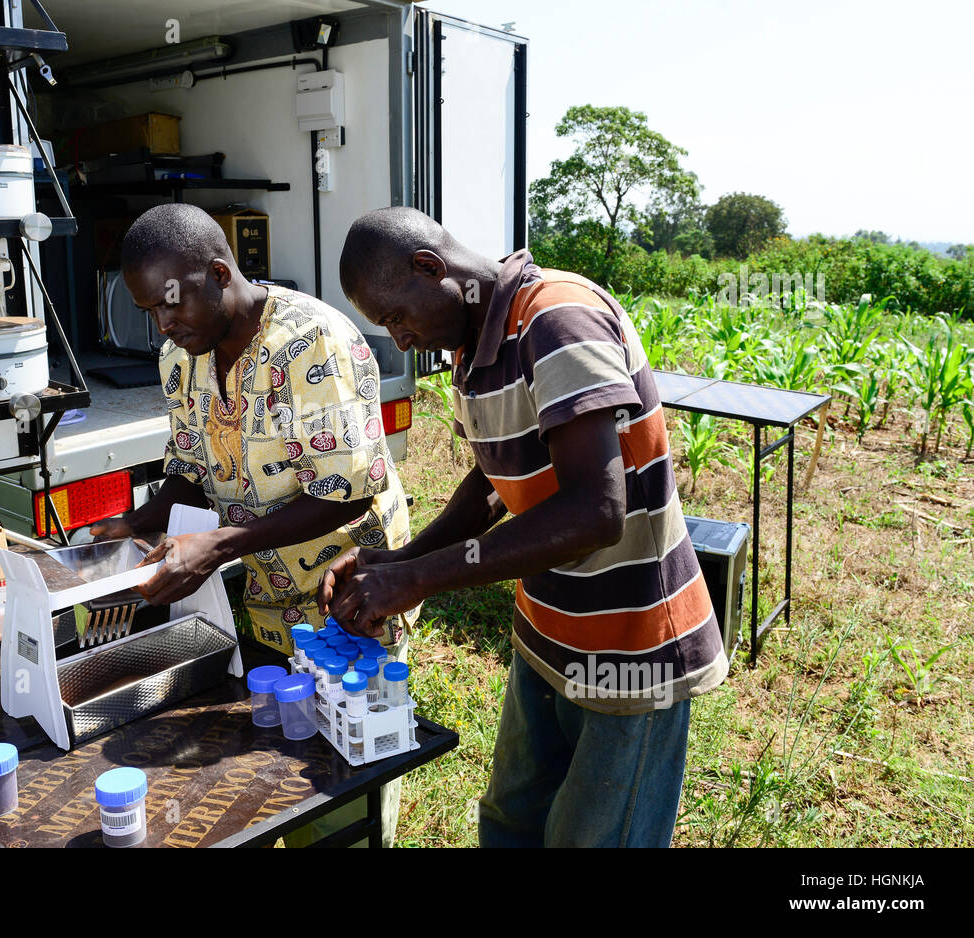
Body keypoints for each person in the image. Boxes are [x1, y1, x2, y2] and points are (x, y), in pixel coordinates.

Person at [320, 206, 727, 847]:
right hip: (547, 633)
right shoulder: (471, 350)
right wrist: (395, 564)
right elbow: (490, 487)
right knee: (512, 820)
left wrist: (422, 576)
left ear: (432, 268)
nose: (398, 339)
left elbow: (597, 510)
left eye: (396, 316)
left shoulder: (556, 318)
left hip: (629, 645)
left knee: (594, 836)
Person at [89, 202, 417, 846]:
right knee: (280, 755)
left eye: (170, 304)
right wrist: (134, 524)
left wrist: (217, 546)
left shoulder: (313, 344)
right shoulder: (181, 360)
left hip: (351, 589)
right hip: (270, 590)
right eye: (148, 311)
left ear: (218, 273)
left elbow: (348, 492)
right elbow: (189, 468)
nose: (161, 325)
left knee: (349, 761)